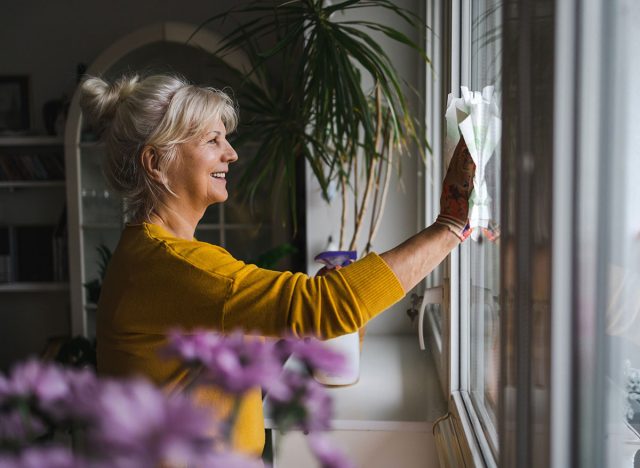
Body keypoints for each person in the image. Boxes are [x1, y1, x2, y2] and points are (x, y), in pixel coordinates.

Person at [79, 74, 475, 456]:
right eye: (212, 140)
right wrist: (450, 225)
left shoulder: (152, 254)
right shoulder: (173, 265)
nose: (230, 153)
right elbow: (324, 307)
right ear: (156, 161)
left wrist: (290, 324)